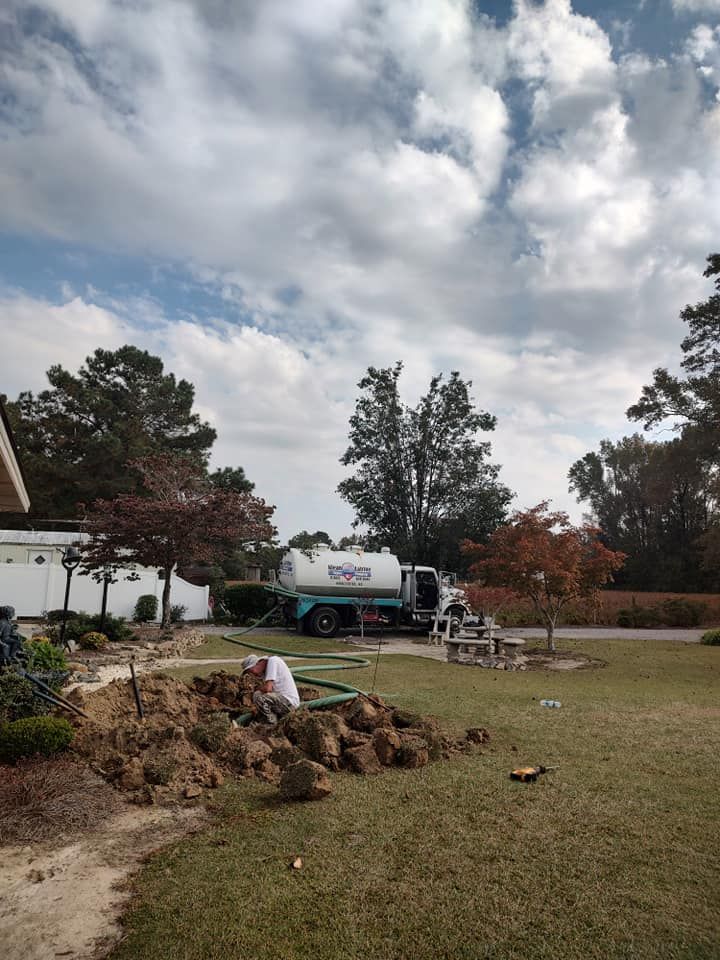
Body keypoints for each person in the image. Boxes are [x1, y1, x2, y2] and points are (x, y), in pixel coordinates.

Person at [241, 654, 300, 724]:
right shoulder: (265, 671)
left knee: (260, 698)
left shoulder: (273, 661)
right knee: (257, 695)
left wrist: (255, 688)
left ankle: (271, 725)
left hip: (289, 702)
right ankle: (273, 721)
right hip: (282, 701)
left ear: (257, 664)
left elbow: (268, 688)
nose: (253, 675)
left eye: (251, 671)